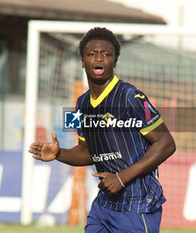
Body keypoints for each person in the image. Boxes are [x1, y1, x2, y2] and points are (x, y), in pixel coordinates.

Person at [29, 27, 176, 233]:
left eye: (106, 54)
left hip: (137, 204)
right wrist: (59, 153)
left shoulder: (130, 97)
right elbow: (86, 152)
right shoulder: (80, 103)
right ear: (82, 61)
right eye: (91, 54)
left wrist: (121, 178)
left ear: (114, 61)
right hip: (104, 204)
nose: (99, 59)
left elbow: (167, 143)